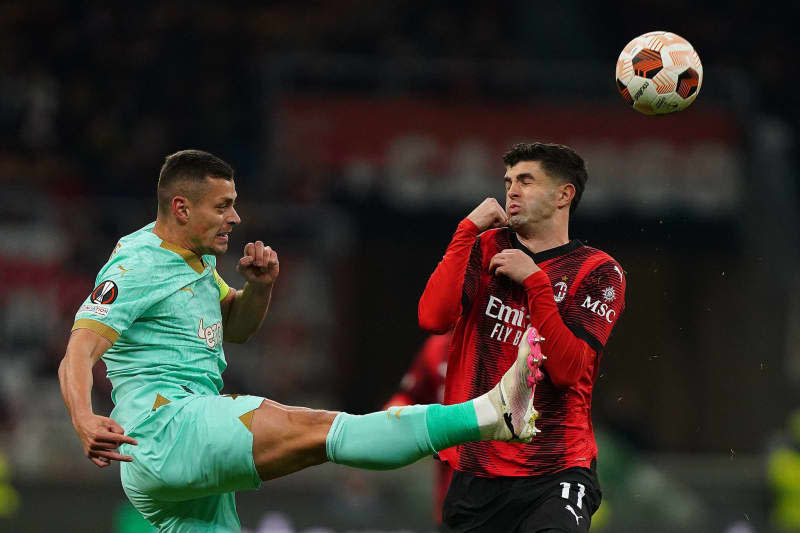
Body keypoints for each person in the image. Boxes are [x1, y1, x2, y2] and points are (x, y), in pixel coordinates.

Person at [58, 149, 545, 533]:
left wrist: (260, 288)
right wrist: (83, 418)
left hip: (172, 457)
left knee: (320, 438)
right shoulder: (139, 265)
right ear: (181, 208)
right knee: (321, 431)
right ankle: (488, 414)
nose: (236, 217)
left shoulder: (195, 258)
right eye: (223, 206)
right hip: (167, 429)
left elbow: (239, 327)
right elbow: (79, 350)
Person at [419, 142, 627, 532]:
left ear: (564, 195)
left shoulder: (598, 272)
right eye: (509, 180)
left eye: (526, 181)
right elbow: (432, 318)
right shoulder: (485, 247)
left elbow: (566, 371)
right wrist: (466, 231)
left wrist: (534, 281)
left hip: (556, 470)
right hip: (475, 469)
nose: (511, 190)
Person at [384, 331, 454, 526]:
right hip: (452, 499)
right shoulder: (437, 347)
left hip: (506, 492)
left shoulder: (509, 344)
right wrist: (386, 419)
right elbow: (409, 397)